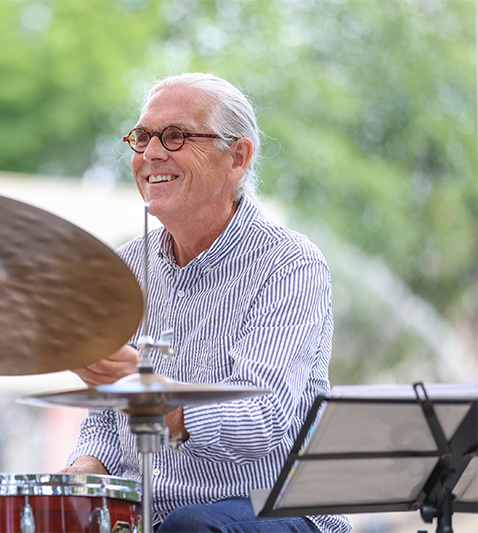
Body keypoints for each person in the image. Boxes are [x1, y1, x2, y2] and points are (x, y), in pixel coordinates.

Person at [63, 73, 351, 533]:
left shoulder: (289, 263)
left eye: (175, 136)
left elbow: (265, 419)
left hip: (274, 509)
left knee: (192, 526)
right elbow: (105, 421)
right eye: (141, 137)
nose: (150, 153)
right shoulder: (125, 266)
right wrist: (82, 473)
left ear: (237, 158)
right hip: (150, 515)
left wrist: (158, 399)